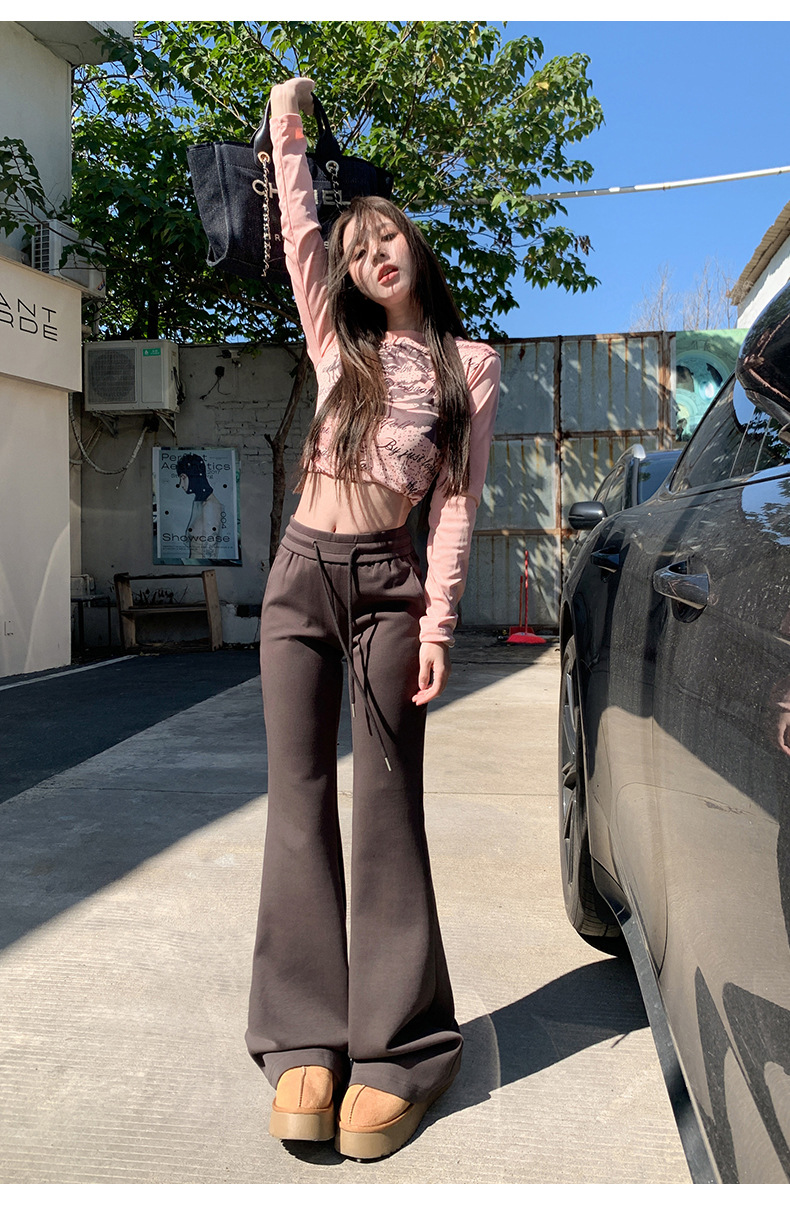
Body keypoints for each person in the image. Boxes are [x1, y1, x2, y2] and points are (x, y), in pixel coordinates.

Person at [245, 76, 501, 1161]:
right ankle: (303, 1034)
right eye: (357, 250)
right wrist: (286, 121)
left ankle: (400, 1049)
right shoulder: (332, 343)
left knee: (388, 805)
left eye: (385, 236)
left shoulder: (469, 365)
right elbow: (301, 227)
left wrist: (438, 626)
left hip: (389, 591)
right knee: (297, 798)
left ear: (413, 246)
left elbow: (457, 506)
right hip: (301, 578)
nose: (370, 254)